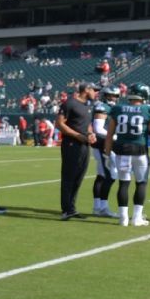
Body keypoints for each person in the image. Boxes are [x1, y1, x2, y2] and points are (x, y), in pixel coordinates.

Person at [103, 83, 150, 227]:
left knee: (123, 183)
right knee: (141, 183)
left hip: (121, 151)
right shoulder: (149, 110)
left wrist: (107, 154)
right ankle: (136, 218)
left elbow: (109, 135)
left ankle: (123, 218)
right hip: (140, 151)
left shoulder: (118, 108)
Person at [57, 83, 98, 219]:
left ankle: (72, 208)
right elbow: (60, 123)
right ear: (86, 90)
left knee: (79, 177)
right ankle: (66, 209)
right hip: (71, 144)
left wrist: (91, 134)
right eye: (94, 90)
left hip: (84, 145)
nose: (96, 93)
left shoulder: (87, 106)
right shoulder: (70, 103)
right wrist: (78, 136)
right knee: (69, 177)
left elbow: (87, 126)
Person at [90, 86, 119, 217]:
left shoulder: (108, 107)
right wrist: (116, 137)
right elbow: (98, 128)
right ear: (104, 96)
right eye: (110, 96)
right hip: (102, 145)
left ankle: (98, 207)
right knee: (110, 176)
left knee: (102, 175)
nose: (113, 98)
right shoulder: (102, 107)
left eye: (115, 96)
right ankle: (103, 207)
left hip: (104, 144)